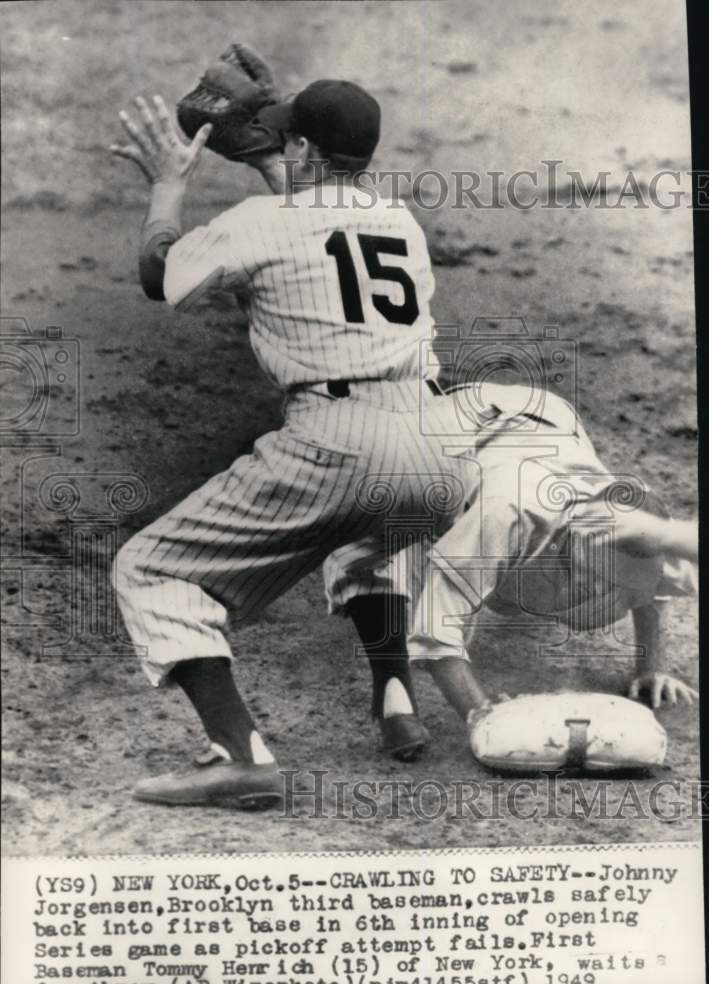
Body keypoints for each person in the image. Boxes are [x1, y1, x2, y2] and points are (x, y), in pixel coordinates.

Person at [109, 81, 470, 808]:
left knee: (148, 569)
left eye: (287, 139)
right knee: (370, 531)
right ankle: (394, 692)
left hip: (336, 443)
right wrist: (285, 168)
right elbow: (319, 229)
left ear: (301, 148)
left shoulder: (257, 222)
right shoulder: (399, 221)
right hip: (443, 453)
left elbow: (160, 276)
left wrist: (166, 189)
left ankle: (237, 753)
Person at [325, 382, 698, 733]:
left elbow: (655, 584)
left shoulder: (639, 516)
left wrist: (650, 669)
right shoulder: (507, 512)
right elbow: (436, 634)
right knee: (378, 541)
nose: (599, 587)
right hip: (450, 433)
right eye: (596, 578)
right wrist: (481, 713)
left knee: (566, 599)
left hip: (550, 418)